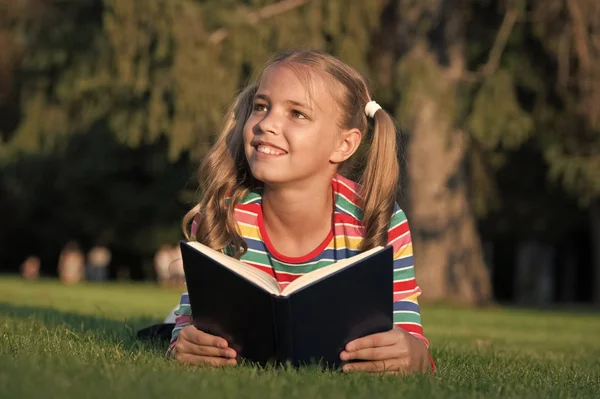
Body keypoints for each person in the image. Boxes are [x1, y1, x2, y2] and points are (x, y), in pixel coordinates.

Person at [168, 50, 433, 374]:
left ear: (344, 145)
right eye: (261, 107)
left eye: (297, 114)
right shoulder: (222, 216)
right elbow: (186, 331)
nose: (266, 124)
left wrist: (409, 354)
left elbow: (414, 342)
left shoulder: (379, 220)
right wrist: (186, 343)